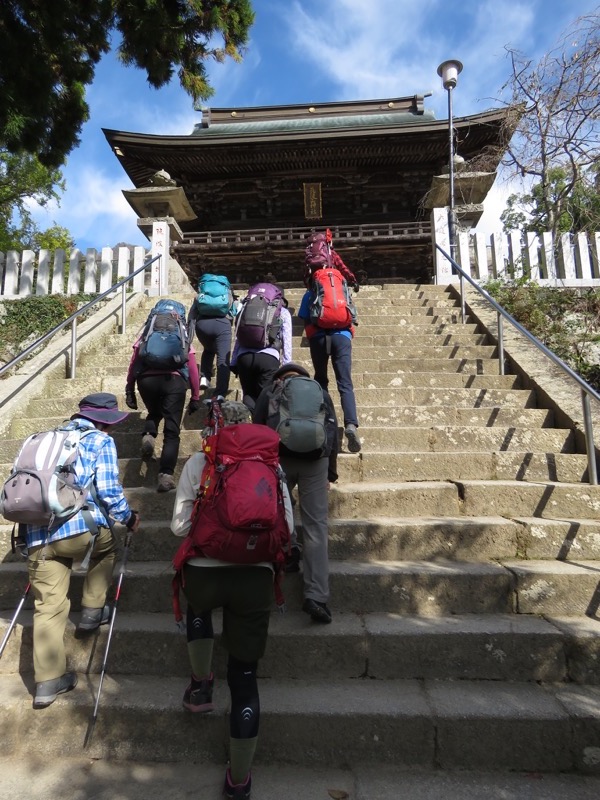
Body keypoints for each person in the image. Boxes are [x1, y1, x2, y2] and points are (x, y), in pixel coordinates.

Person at [171, 401, 294, 800]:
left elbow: (178, 528)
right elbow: (288, 527)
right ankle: (238, 781)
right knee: (244, 680)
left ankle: (201, 685)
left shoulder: (199, 463)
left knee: (198, 602)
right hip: (256, 577)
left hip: (205, 573)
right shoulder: (272, 465)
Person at [23, 392, 141, 709]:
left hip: (37, 534)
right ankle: (92, 609)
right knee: (106, 550)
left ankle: (47, 683)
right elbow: (108, 491)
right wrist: (129, 518)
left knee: (48, 606)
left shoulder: (42, 438)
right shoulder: (99, 442)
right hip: (82, 531)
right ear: (104, 422)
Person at [253, 362, 339, 624]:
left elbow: (257, 428)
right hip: (316, 461)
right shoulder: (320, 392)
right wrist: (331, 473)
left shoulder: (270, 391)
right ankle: (317, 596)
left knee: (279, 512)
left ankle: (289, 551)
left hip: (278, 458)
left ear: (281, 376)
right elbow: (333, 430)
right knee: (316, 526)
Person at [125, 304, 201, 493]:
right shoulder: (182, 332)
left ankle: (149, 435)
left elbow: (134, 361)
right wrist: (195, 396)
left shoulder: (147, 331)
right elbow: (192, 367)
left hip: (146, 380)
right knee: (172, 431)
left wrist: (130, 389)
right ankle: (165, 475)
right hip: (173, 381)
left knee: (154, 411)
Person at [297, 286, 362, 454]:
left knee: (321, 381)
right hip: (342, 337)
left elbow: (304, 317)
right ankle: (351, 425)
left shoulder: (310, 292)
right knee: (345, 383)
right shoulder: (342, 289)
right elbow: (351, 313)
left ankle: (325, 423)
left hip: (318, 338)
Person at [230, 286, 293, 412]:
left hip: (245, 357)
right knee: (267, 396)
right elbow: (287, 340)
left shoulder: (246, 307)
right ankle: (264, 428)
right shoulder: (283, 312)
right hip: (269, 358)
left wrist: (234, 361)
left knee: (248, 394)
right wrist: (287, 365)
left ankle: (252, 426)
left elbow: (238, 336)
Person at [188, 274, 239, 400]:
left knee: (209, 349)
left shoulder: (203, 289)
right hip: (222, 324)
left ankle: (205, 378)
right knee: (223, 359)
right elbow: (233, 311)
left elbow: (193, 311)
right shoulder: (227, 291)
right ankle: (220, 393)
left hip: (202, 325)